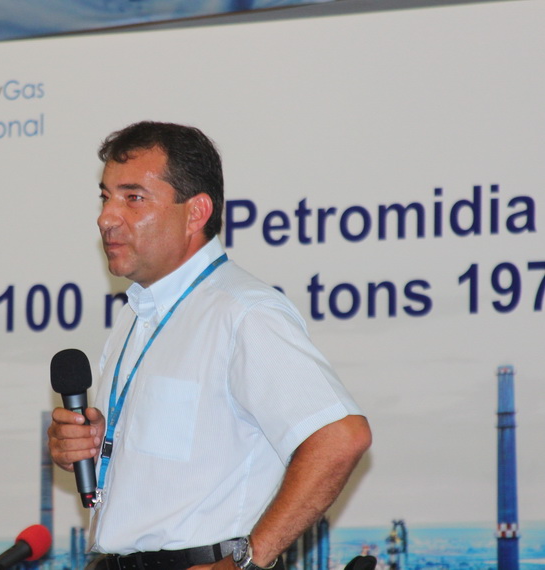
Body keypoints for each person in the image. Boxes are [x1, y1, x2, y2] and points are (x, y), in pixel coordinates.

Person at [48, 121, 372, 570]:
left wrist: (247, 561)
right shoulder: (135, 316)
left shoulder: (243, 312)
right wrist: (93, 442)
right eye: (105, 197)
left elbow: (341, 437)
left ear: (196, 213)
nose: (107, 217)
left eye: (133, 198)